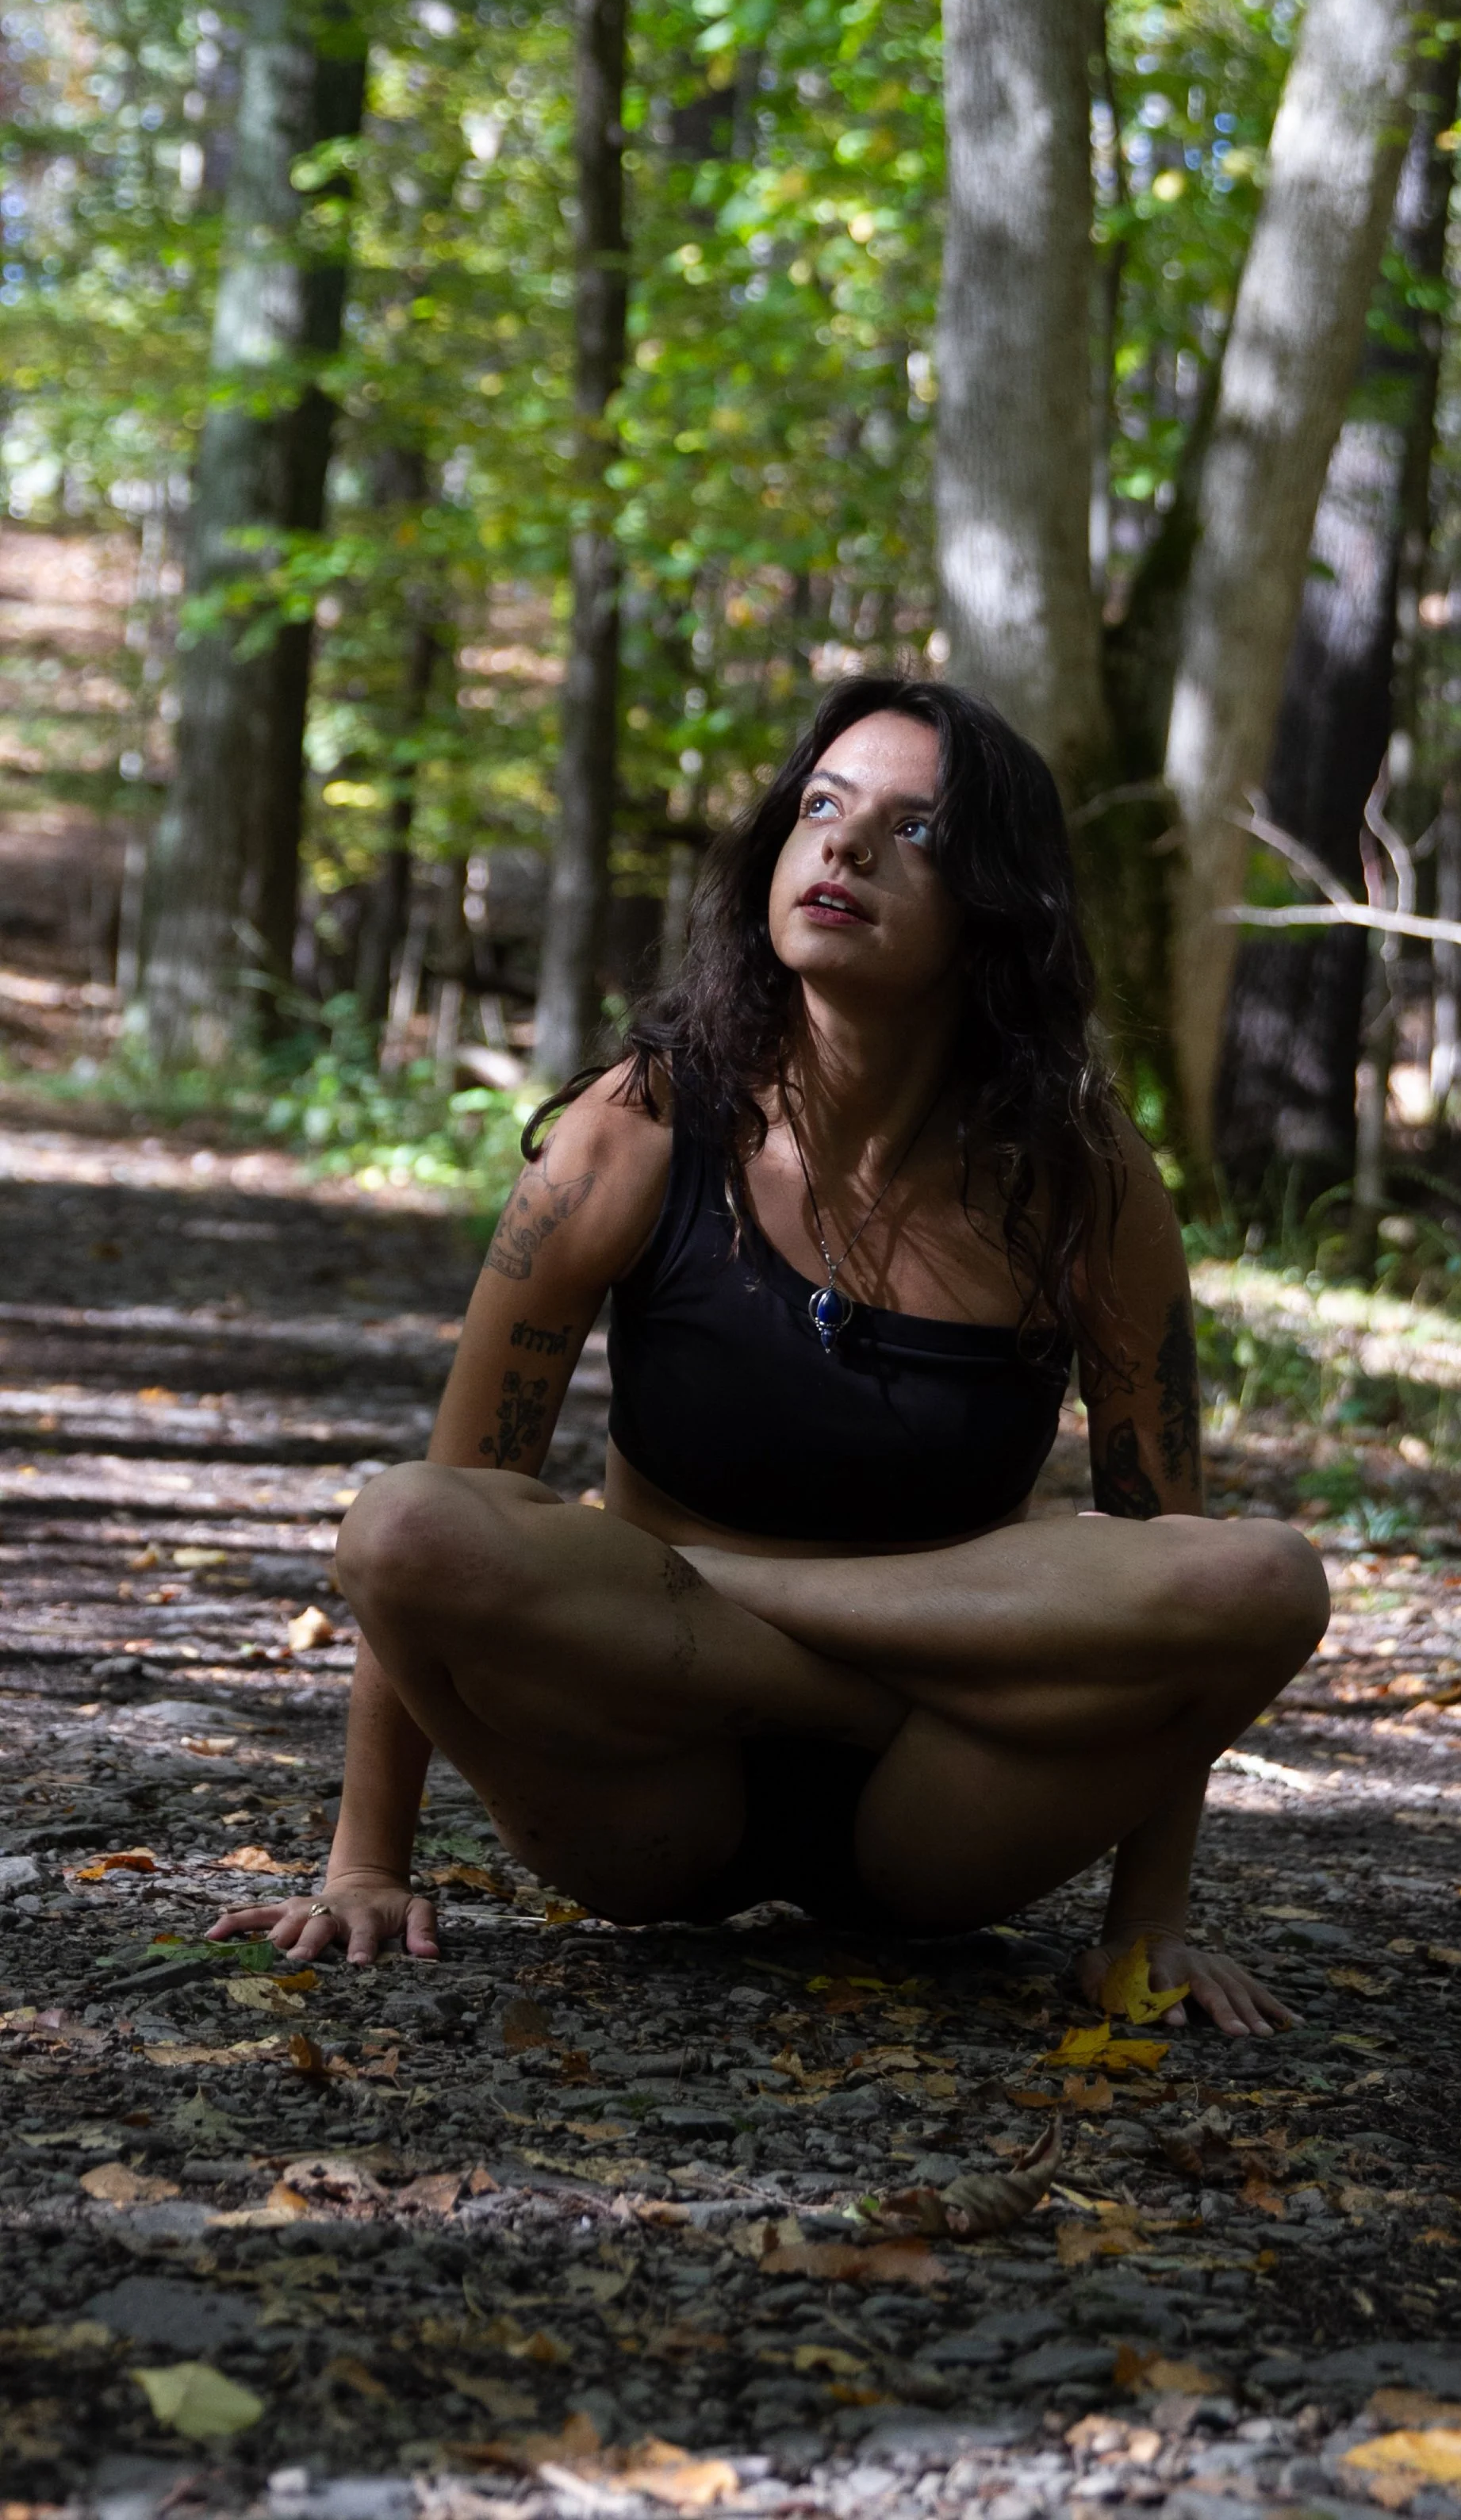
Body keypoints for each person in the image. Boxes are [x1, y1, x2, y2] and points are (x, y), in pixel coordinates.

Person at [210, 681, 1330, 2034]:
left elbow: (1171, 1581)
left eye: (916, 830)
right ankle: (838, 1682)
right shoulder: (636, 1126)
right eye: (822, 805)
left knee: (1263, 1578)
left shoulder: (1078, 1180)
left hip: (950, 1798)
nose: (844, 844)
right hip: (653, 1767)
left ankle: (755, 1605)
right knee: (402, 1525)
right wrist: (364, 1864)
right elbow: (440, 1524)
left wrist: (1147, 1923)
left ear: (999, 905)